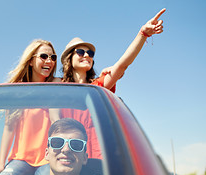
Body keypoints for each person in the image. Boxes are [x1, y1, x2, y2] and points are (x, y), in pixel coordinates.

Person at [59, 9, 166, 159]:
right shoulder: (58, 87)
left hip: (98, 159)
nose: (86, 56)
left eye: (90, 54)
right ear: (68, 58)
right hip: (67, 157)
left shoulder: (97, 86)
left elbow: (122, 65)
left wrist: (143, 34)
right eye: (80, 52)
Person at [0, 39, 59, 175]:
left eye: (53, 57)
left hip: (47, 159)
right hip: (21, 159)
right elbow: (9, 129)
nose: (49, 61)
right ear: (31, 61)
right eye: (44, 56)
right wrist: (1, 163)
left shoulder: (57, 86)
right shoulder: (17, 90)